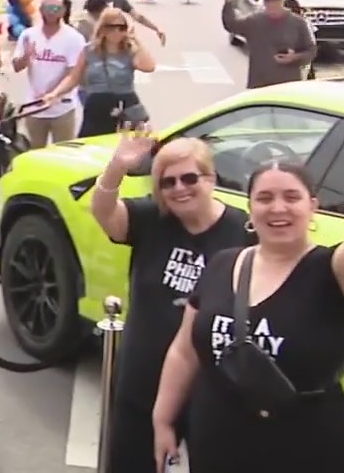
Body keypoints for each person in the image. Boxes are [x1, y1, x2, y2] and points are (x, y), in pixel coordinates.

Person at [153, 162, 344, 473]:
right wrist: (163, 420)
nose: (278, 208)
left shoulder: (336, 269)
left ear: (312, 206)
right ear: (250, 208)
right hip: (216, 442)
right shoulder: (224, 262)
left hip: (308, 448)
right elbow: (184, 351)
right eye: (264, 198)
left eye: (292, 197)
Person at [90, 133, 250, 473]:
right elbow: (105, 213)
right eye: (167, 182)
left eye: (190, 178)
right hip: (142, 378)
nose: (179, 188)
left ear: (211, 178)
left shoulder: (243, 232)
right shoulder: (153, 219)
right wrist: (117, 167)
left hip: (211, 387)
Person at [44, 7, 156, 137]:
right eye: (112, 27)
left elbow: (149, 66)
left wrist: (135, 39)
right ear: (103, 28)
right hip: (97, 106)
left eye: (122, 28)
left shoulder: (129, 51)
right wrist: (55, 93)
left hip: (125, 105)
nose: (117, 32)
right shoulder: (89, 51)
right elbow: (73, 78)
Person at [12, 0, 85, 146]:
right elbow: (17, 67)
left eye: (56, 8)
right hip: (34, 107)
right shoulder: (29, 35)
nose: (52, 12)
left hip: (63, 107)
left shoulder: (74, 38)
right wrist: (26, 56)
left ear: (63, 11)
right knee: (36, 152)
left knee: (65, 151)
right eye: (48, 8)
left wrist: (53, 93)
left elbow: (73, 73)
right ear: (41, 10)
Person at [220, 0, 316, 89]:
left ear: (282, 1)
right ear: (265, 3)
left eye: (276, 0)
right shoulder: (254, 21)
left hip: (288, 85)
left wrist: (294, 58)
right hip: (260, 84)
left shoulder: (298, 23)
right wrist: (229, 0)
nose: (273, 4)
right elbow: (231, 26)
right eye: (269, 1)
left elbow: (311, 51)